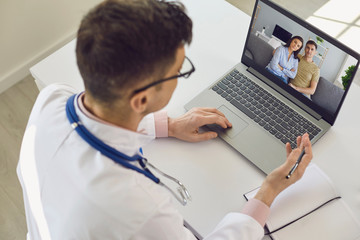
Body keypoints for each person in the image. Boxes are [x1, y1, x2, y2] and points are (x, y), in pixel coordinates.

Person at [17, 0, 313, 239]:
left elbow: (100, 113)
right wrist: (268, 191)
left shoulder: (52, 98)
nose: (182, 75)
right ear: (142, 100)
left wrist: (169, 124)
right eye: (179, 69)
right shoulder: (139, 210)